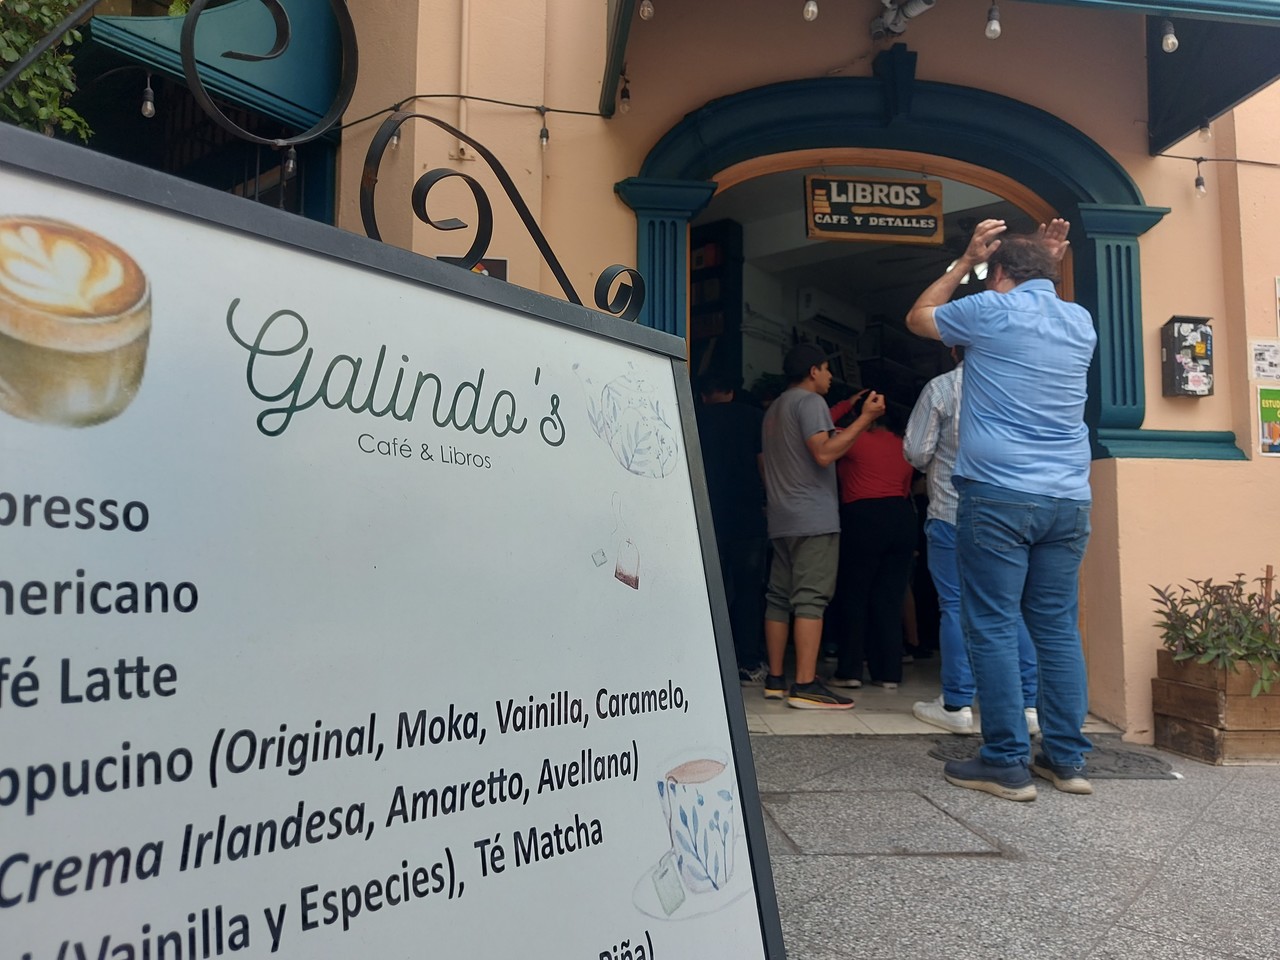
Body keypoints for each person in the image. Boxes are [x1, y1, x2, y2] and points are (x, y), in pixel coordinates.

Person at [906, 219, 1095, 801]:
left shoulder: (991, 312)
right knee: (1057, 629)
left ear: (1000, 276)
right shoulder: (1079, 320)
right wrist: (1046, 259)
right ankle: (1066, 760)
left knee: (989, 623)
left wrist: (965, 262)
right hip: (1067, 497)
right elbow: (1041, 298)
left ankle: (1006, 760)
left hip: (998, 495)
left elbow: (919, 317)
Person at [903, 346, 1041, 737]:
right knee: (1009, 608)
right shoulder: (1014, 387)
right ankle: (1029, 705)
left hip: (951, 513)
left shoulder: (942, 388)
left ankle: (957, 704)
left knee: (954, 605)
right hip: (1005, 516)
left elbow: (915, 451)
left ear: (952, 348)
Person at [761, 342, 885, 709]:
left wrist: (848, 408)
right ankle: (805, 685)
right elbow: (824, 451)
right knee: (811, 599)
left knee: (778, 599)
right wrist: (864, 419)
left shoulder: (776, 409)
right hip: (813, 517)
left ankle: (776, 679)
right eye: (828, 370)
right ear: (813, 370)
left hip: (782, 517)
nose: (831, 377)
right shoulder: (810, 403)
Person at [824, 393, 915, 690]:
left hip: (863, 516)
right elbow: (904, 488)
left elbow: (821, 425)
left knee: (855, 594)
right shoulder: (904, 447)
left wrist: (848, 404)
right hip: (901, 518)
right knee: (890, 598)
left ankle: (849, 670)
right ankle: (888, 672)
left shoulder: (854, 440)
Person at [696, 371, 768, 685]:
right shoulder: (754, 418)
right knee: (749, 591)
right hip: (748, 515)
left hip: (704, 514)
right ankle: (748, 661)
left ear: (703, 395)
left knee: (709, 589)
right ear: (732, 391)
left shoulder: (694, 417)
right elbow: (763, 464)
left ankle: (706, 658)